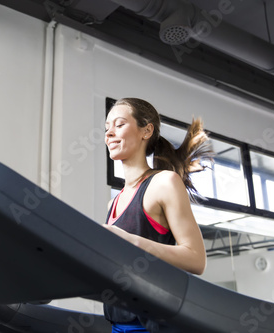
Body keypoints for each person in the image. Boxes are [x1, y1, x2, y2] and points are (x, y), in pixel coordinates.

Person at [103, 97, 214, 333]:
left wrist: (130, 241)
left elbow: (196, 259)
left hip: (150, 325)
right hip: (116, 324)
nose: (109, 133)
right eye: (106, 127)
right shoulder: (114, 201)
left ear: (146, 130)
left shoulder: (164, 182)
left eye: (119, 124)